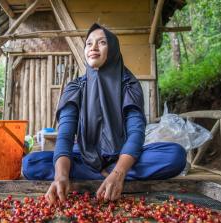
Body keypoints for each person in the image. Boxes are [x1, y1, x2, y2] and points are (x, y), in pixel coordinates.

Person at [22, 23, 186, 204]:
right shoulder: (75, 87)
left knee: (175, 155)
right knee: (30, 164)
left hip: (123, 157)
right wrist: (60, 176)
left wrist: (118, 171)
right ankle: (105, 177)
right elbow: (65, 136)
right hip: (84, 157)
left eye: (102, 42)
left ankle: (111, 176)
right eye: (89, 43)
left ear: (113, 49)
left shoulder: (129, 85)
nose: (93, 47)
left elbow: (136, 133)